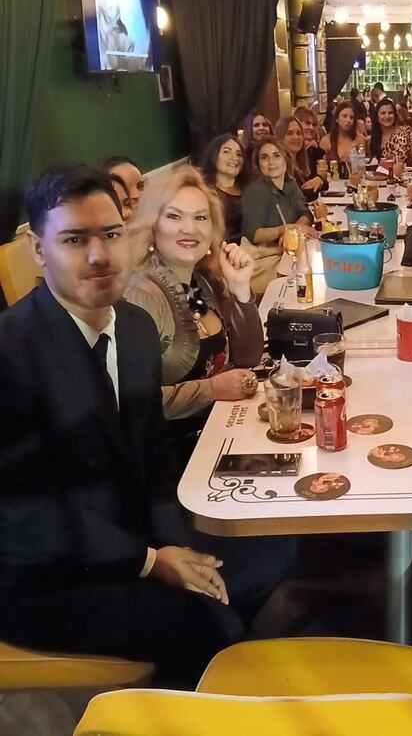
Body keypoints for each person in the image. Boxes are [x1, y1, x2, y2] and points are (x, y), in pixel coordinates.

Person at [0, 164, 244, 687]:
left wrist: (178, 548)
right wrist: (153, 561)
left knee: (239, 579)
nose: (100, 255)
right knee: (206, 627)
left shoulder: (134, 327)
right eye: (74, 239)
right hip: (44, 576)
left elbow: (153, 455)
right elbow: (29, 513)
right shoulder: (10, 351)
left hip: (127, 539)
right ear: (38, 249)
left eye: (111, 234)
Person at [125, 165, 263, 425]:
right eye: (174, 216)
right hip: (173, 445)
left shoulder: (204, 282)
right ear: (153, 227)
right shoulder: (140, 296)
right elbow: (135, 402)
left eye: (200, 218)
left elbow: (249, 357)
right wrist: (212, 389)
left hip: (217, 427)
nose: (189, 228)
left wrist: (240, 290)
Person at [241, 136, 316, 294]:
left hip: (287, 256)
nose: (271, 162)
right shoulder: (256, 190)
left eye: (276, 155)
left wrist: (295, 231)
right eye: (264, 157)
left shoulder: (290, 183)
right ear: (258, 164)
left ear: (285, 158)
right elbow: (254, 234)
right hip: (265, 262)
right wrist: (285, 230)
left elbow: (305, 212)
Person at [200, 133, 247, 242]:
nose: (234, 158)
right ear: (213, 156)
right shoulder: (204, 191)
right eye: (226, 152)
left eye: (239, 154)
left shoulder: (249, 189)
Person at [275, 116, 327, 201]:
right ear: (280, 137)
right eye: (290, 133)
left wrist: (319, 180)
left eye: (299, 133)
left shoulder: (303, 162)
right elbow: (296, 198)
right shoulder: (278, 168)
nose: (296, 137)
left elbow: (325, 184)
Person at [370, 97, 412, 168]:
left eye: (390, 113)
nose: (387, 116)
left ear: (395, 115)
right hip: (381, 174)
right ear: (377, 116)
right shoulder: (375, 137)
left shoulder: (406, 132)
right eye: (383, 113)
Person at [318, 101, 367, 169]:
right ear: (337, 118)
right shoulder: (326, 141)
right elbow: (322, 168)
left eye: (351, 117)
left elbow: (362, 167)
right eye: (344, 116)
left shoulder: (360, 139)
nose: (348, 120)